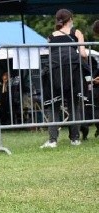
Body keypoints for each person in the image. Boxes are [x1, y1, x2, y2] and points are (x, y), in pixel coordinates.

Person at [40, 8, 87, 148]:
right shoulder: (76, 33)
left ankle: (52, 140)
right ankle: (75, 139)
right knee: (74, 105)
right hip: (73, 71)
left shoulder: (51, 36)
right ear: (70, 19)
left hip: (55, 72)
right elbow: (83, 54)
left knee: (53, 106)